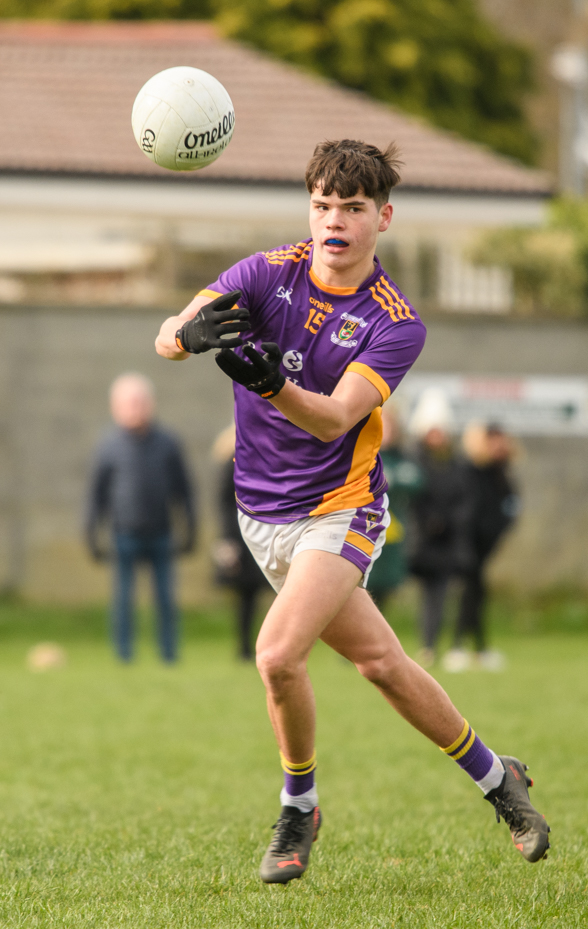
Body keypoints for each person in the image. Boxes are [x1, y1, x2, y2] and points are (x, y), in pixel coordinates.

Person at [155, 139, 549, 883]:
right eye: (323, 204)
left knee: (275, 656)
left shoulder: (394, 321)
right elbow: (167, 338)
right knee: (382, 665)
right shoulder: (266, 272)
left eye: (354, 207)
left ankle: (298, 805)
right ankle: (501, 779)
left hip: (340, 509)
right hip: (259, 512)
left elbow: (335, 419)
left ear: (384, 216)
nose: (334, 220)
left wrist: (269, 383)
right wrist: (189, 334)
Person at [85, 373, 195, 663]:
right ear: (115, 407)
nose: (136, 408)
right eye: (129, 403)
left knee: (166, 601)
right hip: (124, 534)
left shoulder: (168, 443)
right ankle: (124, 656)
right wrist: (91, 536)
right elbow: (96, 495)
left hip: (161, 533)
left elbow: (184, 490)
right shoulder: (109, 446)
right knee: (123, 601)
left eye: (140, 402)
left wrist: (191, 529)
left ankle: (169, 655)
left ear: (151, 404)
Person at [443, 422, 520, 674]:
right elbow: (463, 512)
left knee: (476, 593)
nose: (498, 445)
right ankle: (460, 647)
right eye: (491, 439)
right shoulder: (467, 471)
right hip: (465, 545)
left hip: (486, 545)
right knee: (470, 593)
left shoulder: (501, 472)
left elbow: (509, 506)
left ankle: (477, 648)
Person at [407, 388, 458, 667]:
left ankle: (429, 645)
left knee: (437, 595)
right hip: (416, 539)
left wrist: (446, 522)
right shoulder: (414, 462)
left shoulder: (453, 464)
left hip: (443, 541)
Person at [212, 424, 268, 660]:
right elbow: (224, 502)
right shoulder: (232, 464)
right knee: (246, 595)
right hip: (242, 536)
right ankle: (245, 647)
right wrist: (227, 540)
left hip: (265, 532)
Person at [366, 405, 423, 612]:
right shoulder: (364, 455)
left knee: (385, 585)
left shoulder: (403, 458)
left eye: (388, 426)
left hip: (393, 531)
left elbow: (417, 481)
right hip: (364, 527)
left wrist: (393, 480)